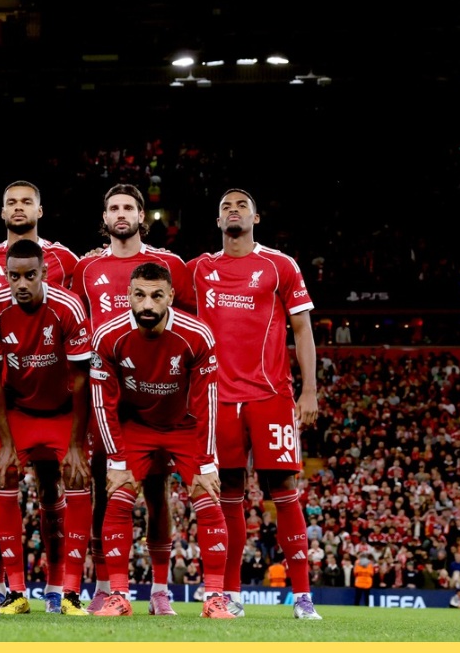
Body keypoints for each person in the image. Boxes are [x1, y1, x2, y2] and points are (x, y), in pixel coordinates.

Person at [189, 188, 323, 621]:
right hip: (218, 401)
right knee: (227, 496)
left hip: (271, 396)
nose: (233, 210)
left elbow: (302, 329)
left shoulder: (279, 265)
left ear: (256, 218)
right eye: (225, 206)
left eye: (241, 205)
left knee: (284, 492)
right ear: (217, 221)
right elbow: (150, 275)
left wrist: (309, 390)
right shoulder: (199, 270)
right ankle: (229, 594)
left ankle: (303, 598)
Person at [71, 183, 195, 616]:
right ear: (104, 219)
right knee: (107, 492)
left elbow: (190, 329)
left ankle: (161, 589)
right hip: (107, 396)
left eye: (128, 208)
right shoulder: (86, 269)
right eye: (113, 208)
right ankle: (107, 588)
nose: (120, 214)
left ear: (142, 216)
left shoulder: (171, 266)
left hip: (158, 396)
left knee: (159, 493)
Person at [86, 262, 233, 619]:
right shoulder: (108, 337)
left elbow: (207, 402)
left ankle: (214, 598)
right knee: (118, 494)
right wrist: (117, 462)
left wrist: (208, 462)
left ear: (170, 296)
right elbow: (102, 403)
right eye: (139, 295)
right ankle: (118, 596)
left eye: (155, 295)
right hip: (136, 426)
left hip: (184, 427)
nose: (147, 304)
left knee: (208, 494)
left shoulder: (197, 336)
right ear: (128, 297)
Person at [0, 180, 80, 605]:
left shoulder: (66, 259)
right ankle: (6, 585)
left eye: (26, 201)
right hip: (4, 395)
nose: (18, 208)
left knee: (54, 489)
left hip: (56, 393)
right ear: (1, 212)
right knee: (1, 482)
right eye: (11, 201)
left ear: (40, 209)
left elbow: (74, 311)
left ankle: (57, 585)